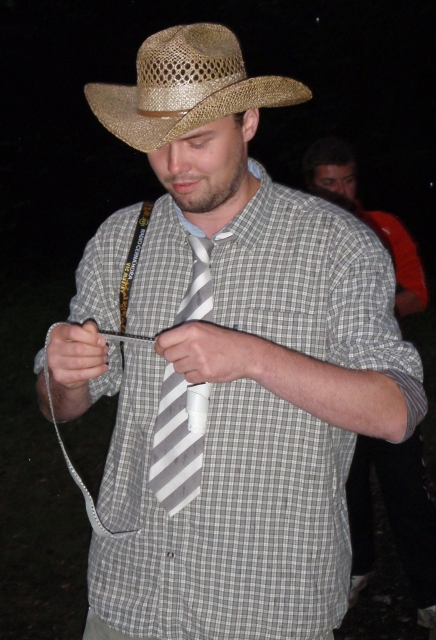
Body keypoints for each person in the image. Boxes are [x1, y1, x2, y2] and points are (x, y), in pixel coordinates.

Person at [35, 25, 427, 640]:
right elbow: (61, 406)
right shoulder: (121, 240)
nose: (175, 165)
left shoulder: (337, 246)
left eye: (197, 140)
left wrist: (253, 357)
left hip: (268, 603)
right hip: (129, 594)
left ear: (248, 122)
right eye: (158, 143)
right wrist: (64, 376)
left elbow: (397, 411)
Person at [303, 135, 436, 633]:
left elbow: (418, 293)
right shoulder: (300, 231)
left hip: (382, 379)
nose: (340, 191)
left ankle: (429, 592)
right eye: (328, 183)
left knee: (406, 487)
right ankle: (357, 567)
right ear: (311, 186)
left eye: (348, 180)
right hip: (327, 382)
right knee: (345, 484)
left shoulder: (382, 226)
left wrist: (367, 307)